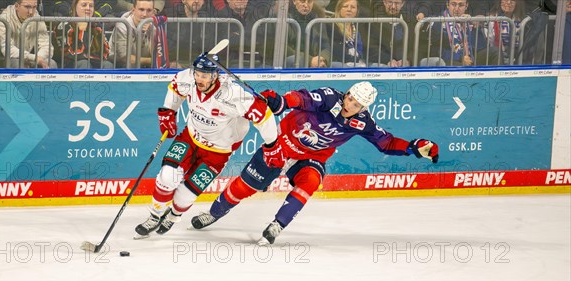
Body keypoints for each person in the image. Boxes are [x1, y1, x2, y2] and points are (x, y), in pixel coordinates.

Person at [190, 82, 440, 245]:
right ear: (348, 94)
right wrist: (282, 102)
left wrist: (413, 147)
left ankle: (277, 225)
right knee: (246, 187)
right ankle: (213, 214)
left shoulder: (363, 122)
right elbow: (302, 98)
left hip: (311, 158)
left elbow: (386, 143)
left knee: (310, 181)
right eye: (350, 98)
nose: (350, 105)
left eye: (357, 104)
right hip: (281, 146)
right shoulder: (331, 97)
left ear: (364, 107)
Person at [134, 53, 283, 237]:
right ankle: (155, 216)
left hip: (217, 152)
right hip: (189, 138)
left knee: (184, 196)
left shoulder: (233, 94)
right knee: (167, 176)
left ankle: (173, 216)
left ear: (215, 76)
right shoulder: (188, 78)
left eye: (204, 75)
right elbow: (175, 87)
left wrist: (272, 145)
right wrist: (168, 111)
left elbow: (264, 116)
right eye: (197, 73)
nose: (199, 79)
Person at [424, 0, 499, 66]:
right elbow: (435, 51)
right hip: (451, 60)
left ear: (466, 6)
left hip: (470, 59)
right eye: (453, 4)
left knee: (495, 52)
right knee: (457, 64)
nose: (456, 9)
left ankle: (498, 81)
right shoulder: (438, 22)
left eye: (461, 5)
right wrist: (459, 57)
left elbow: (481, 47)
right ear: (447, 4)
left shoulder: (469, 21)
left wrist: (472, 27)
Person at [0, 0, 57, 68]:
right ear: (17, 6)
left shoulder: (37, 18)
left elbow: (46, 45)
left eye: (34, 7)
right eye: (27, 7)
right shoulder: (3, 19)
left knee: (51, 63)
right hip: (2, 59)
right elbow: (8, 50)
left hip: (28, 57)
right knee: (18, 64)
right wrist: (34, 58)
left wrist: (39, 58)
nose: (31, 12)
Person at [54, 0, 114, 68]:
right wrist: (82, 30)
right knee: (84, 64)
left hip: (93, 62)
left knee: (108, 65)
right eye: (84, 5)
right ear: (75, 7)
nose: (88, 8)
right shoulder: (64, 26)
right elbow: (70, 53)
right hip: (70, 63)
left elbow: (105, 53)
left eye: (91, 6)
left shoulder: (97, 27)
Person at [109, 0, 156, 68]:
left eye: (149, 10)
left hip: (142, 65)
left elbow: (155, 56)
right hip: (118, 65)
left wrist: (152, 34)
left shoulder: (153, 26)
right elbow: (125, 58)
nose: (145, 14)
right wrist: (149, 61)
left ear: (153, 12)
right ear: (133, 10)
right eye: (141, 9)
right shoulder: (122, 25)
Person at [369, 0, 417, 67]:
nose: (393, 6)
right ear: (384, 2)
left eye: (397, 3)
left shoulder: (411, 20)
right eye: (390, 2)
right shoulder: (375, 21)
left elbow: (418, 46)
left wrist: (409, 60)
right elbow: (372, 47)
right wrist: (388, 60)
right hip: (383, 63)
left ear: (403, 4)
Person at [285, 0, 329, 68]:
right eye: (302, 1)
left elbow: (325, 46)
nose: (306, 5)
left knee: (339, 66)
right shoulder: (284, 18)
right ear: (294, 1)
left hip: (316, 60)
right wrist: (310, 60)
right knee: (297, 60)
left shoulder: (317, 18)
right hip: (292, 59)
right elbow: (284, 49)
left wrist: (322, 59)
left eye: (309, 2)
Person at [324, 0, 368, 67]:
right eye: (345, 6)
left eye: (353, 7)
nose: (349, 9)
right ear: (339, 9)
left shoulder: (357, 28)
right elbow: (336, 51)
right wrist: (355, 60)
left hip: (357, 62)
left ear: (357, 11)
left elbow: (361, 50)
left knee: (379, 66)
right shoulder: (331, 26)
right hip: (338, 62)